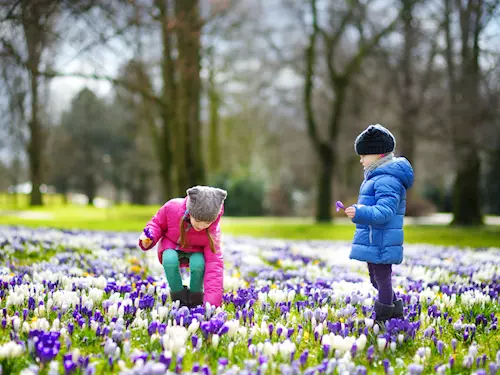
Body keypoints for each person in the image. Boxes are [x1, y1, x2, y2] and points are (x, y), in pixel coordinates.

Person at [344, 124, 414, 322]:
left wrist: (360, 212)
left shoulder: (387, 179)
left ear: (378, 155)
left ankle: (383, 319)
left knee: (382, 280)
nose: (360, 160)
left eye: (363, 155)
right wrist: (359, 211)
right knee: (377, 280)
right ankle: (396, 314)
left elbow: (384, 212)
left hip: (382, 240)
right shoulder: (377, 177)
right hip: (375, 238)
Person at [138, 186, 227, 307]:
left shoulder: (212, 231)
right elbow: (157, 224)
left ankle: (195, 297)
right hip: (173, 245)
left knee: (198, 263)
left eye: (206, 223)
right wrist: (150, 237)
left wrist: (211, 306)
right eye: (198, 220)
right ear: (190, 212)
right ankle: (178, 296)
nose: (201, 226)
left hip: (196, 250)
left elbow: (214, 265)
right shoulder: (172, 208)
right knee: (169, 259)